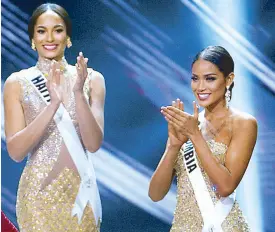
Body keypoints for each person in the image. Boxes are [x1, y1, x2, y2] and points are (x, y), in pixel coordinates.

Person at [4, 3, 105, 232]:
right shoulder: (17, 83)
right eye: (41, 31)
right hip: (39, 198)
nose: (49, 37)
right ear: (32, 37)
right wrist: (53, 105)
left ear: (67, 35)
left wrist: (78, 93)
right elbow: (16, 152)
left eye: (57, 30)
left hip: (83, 195)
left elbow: (93, 143)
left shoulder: (92, 80)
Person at [149, 46, 257, 231]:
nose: (200, 87)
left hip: (223, 225)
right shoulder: (188, 125)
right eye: (195, 78)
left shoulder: (243, 123)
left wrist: (195, 135)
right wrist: (173, 146)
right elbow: (155, 194)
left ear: (228, 79)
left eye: (210, 79)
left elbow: (225, 187)